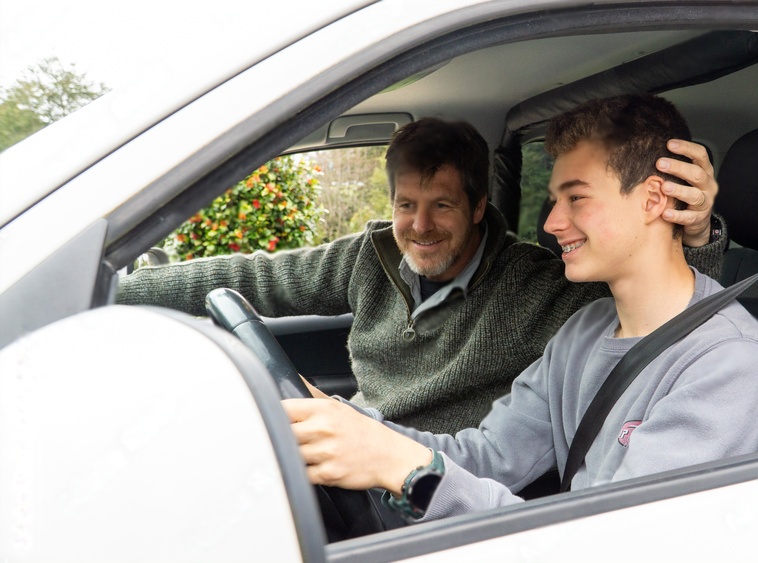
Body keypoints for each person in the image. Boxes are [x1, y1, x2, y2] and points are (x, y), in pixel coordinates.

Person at [281, 93, 758, 521]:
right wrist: (349, 429)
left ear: (654, 199)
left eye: (576, 199)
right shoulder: (586, 329)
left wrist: (411, 473)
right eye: (555, 200)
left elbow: (609, 547)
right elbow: (486, 459)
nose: (551, 224)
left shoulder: (732, 369)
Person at [116, 116, 726, 434]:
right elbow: (255, 277)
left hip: (434, 494)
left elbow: (658, 308)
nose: (420, 226)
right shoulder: (367, 257)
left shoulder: (534, 282)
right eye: (406, 205)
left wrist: (695, 236)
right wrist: (104, 288)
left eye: (442, 205)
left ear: (479, 208)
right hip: (356, 450)